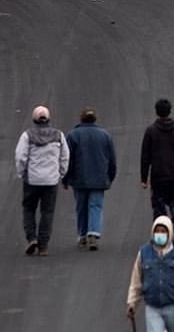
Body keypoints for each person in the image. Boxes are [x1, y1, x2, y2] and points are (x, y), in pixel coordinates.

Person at [14, 104, 69, 257]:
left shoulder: (27, 136)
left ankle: (32, 237)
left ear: (34, 119)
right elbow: (65, 156)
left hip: (32, 180)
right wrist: (61, 173)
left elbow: (20, 157)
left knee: (29, 209)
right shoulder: (59, 135)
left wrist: (21, 173)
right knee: (47, 212)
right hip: (51, 181)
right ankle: (43, 245)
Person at [126, 215, 174, 330]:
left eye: (163, 231)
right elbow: (136, 280)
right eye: (157, 231)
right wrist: (132, 302)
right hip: (153, 307)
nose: (160, 234)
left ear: (170, 233)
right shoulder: (144, 253)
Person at [140, 98, 174, 243]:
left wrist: (144, 177)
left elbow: (145, 157)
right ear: (170, 111)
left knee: (159, 205)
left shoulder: (151, 131)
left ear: (156, 112)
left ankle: (161, 235)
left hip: (158, 176)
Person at [64, 106, 118, 251]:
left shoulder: (73, 135)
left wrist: (65, 178)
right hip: (99, 178)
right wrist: (110, 176)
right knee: (95, 206)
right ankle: (93, 233)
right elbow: (112, 159)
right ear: (95, 119)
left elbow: (68, 159)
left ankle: (82, 234)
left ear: (81, 119)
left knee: (81, 206)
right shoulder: (105, 135)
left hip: (79, 178)